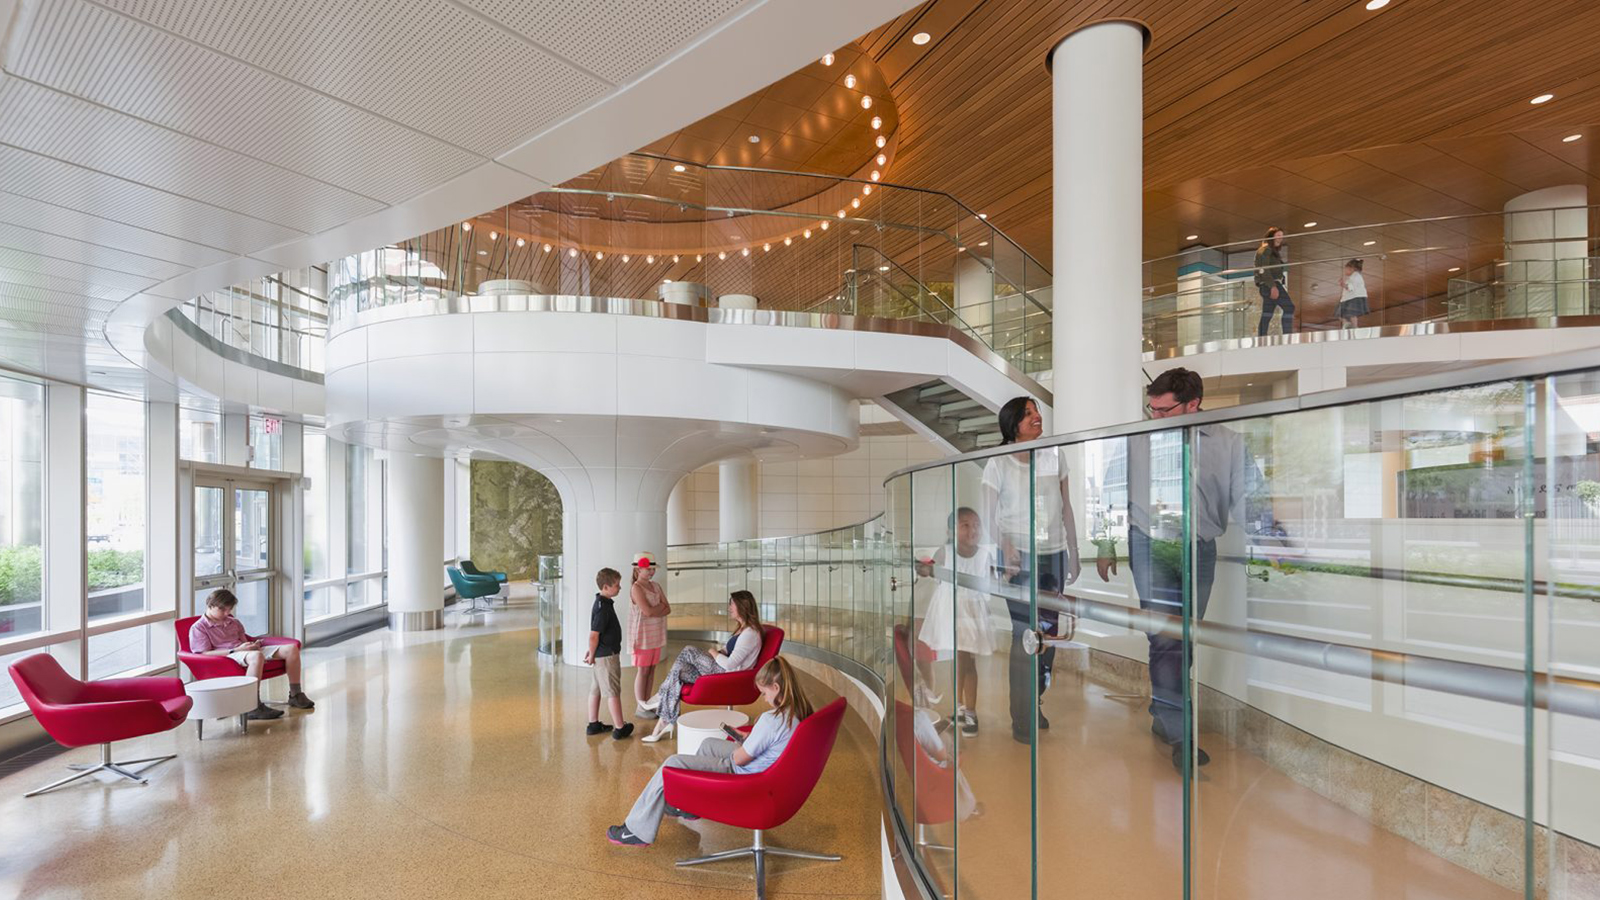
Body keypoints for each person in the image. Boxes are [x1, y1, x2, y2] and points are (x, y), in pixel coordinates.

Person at [1096, 368, 1258, 772]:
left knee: (1184, 637)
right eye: (1151, 409)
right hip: (1149, 543)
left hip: (1199, 547)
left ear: (1193, 405)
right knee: (1167, 638)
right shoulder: (1138, 440)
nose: (1156, 417)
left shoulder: (1229, 444)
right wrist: (1105, 540)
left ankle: (1162, 709)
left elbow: (1250, 501)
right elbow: (1111, 491)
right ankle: (1181, 735)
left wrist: (1274, 542)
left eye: (1165, 410)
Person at [607, 656, 811, 846]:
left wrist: (744, 744)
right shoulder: (795, 713)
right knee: (708, 744)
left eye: (765, 693)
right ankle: (687, 804)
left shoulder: (771, 720)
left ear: (776, 687)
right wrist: (751, 738)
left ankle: (636, 830)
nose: (765, 699)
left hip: (745, 775)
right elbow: (772, 743)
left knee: (673, 763)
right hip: (763, 770)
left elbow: (739, 759)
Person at [981, 397, 1080, 744]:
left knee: (1049, 634)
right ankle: (1021, 715)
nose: (1036, 417)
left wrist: (1075, 551)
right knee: (1025, 632)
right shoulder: (998, 463)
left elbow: (1066, 507)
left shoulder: (1055, 456)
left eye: (1036, 410)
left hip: (1054, 554)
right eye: (1027, 414)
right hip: (1017, 558)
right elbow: (989, 516)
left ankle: (1034, 699)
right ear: (1013, 424)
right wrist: (1006, 548)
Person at [638, 590, 764, 743]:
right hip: (723, 669)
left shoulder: (750, 633)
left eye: (732, 604)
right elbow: (729, 652)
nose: (729, 607)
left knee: (689, 650)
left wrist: (713, 652)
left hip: (728, 675)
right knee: (680, 670)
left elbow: (731, 663)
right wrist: (718, 652)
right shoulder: (742, 628)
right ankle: (662, 724)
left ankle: (661, 696)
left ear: (742, 606)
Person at [916, 507, 997, 736]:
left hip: (970, 613)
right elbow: (929, 570)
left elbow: (991, 582)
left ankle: (970, 711)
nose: (973, 530)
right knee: (959, 661)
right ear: (952, 531)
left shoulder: (984, 555)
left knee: (967, 661)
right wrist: (923, 568)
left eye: (977, 525)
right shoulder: (945, 551)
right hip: (949, 610)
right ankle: (960, 707)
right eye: (965, 525)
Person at [189, 588, 314, 719]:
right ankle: (251, 705)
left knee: (291, 649)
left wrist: (253, 645)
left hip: (243, 652)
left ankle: (295, 694)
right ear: (210, 605)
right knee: (256, 656)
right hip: (227, 656)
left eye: (229, 609)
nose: (227, 613)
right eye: (222, 610)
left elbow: (244, 641)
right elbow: (204, 654)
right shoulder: (199, 627)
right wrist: (236, 650)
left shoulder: (234, 622)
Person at [584, 567, 633, 739]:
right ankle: (620, 727)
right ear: (606, 587)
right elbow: (594, 635)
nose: (619, 588)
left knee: (596, 689)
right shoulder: (603, 608)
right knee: (613, 691)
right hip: (607, 657)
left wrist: (592, 652)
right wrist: (591, 654)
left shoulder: (601, 603)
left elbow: (596, 636)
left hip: (601, 654)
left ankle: (593, 724)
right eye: (617, 585)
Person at [628, 552, 670, 719]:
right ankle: (641, 706)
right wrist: (658, 609)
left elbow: (668, 608)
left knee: (652, 670)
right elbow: (647, 611)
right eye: (648, 569)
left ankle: (647, 703)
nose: (651, 572)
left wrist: (655, 610)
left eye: (653, 569)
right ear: (638, 569)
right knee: (643, 670)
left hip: (655, 634)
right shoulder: (636, 588)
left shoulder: (656, 586)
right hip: (643, 636)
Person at [1254, 226, 1293, 337]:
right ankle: (1287, 335)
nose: (1281, 237)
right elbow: (1263, 269)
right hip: (1270, 284)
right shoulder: (1266, 249)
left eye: (1282, 235)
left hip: (1269, 284)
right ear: (1271, 237)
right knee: (1289, 307)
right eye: (1278, 235)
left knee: (1267, 313)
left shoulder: (1270, 251)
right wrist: (1273, 286)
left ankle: (1261, 337)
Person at [1337, 258, 1368, 329]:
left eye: (1346, 269)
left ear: (1352, 269)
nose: (1345, 271)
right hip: (1350, 298)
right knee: (1344, 313)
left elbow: (1350, 287)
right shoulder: (1353, 277)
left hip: (1354, 298)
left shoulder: (1355, 277)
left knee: (1351, 314)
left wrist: (1343, 284)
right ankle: (1349, 325)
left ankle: (1354, 326)